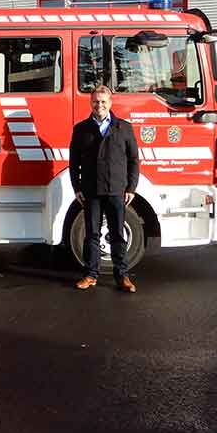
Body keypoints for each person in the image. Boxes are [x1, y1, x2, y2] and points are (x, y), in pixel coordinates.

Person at [68, 84, 140, 293]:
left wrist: (131, 187)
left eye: (103, 102)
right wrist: (77, 187)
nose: (99, 105)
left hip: (117, 190)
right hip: (91, 191)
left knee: (117, 234)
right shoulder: (81, 129)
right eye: (96, 102)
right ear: (90, 103)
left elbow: (134, 160)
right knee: (92, 234)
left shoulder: (124, 128)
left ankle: (122, 276)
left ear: (110, 103)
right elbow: (74, 163)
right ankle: (90, 275)